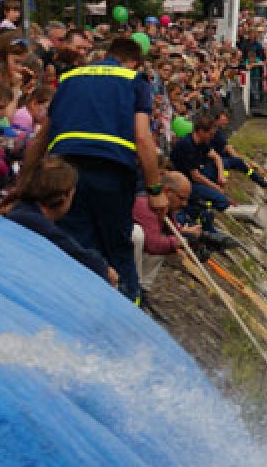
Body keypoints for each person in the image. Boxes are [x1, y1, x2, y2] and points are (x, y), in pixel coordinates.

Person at [21, 34, 167, 302]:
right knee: (117, 247)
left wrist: (23, 183)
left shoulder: (70, 78)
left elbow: (43, 136)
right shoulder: (135, 81)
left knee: (76, 246)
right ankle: (127, 308)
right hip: (112, 171)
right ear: (134, 63)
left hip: (66, 170)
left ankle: (75, 303)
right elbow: (143, 137)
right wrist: (155, 190)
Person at [4, 156, 113, 285]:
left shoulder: (22, 212)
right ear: (65, 197)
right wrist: (106, 270)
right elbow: (83, 259)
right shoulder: (32, 222)